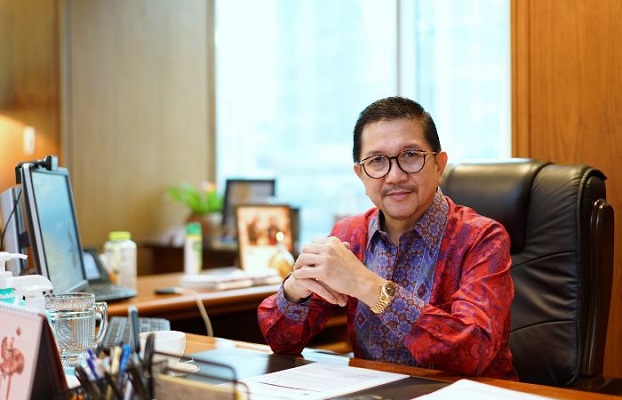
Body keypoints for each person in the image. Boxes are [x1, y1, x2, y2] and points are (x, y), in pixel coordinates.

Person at [257, 96, 517, 380]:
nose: (394, 176)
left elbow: (473, 352)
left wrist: (366, 285)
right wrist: (296, 290)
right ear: (361, 174)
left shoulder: (481, 239)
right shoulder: (349, 235)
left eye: (410, 155)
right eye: (377, 161)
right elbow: (282, 342)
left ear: (439, 165)